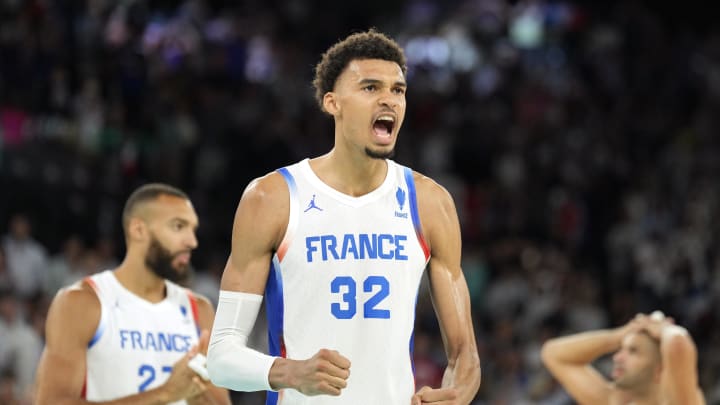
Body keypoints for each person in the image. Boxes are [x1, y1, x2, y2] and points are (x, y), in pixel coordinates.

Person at [206, 29, 481, 404]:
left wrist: (458, 393)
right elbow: (220, 358)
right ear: (332, 103)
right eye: (370, 88)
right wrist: (292, 373)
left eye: (398, 90)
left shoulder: (430, 202)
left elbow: (465, 354)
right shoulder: (273, 198)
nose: (389, 99)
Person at [35, 183, 231, 405]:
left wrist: (198, 394)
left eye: (193, 229)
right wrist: (163, 394)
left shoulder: (199, 310)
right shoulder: (83, 302)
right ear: (138, 230)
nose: (191, 242)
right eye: (178, 226)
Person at [541, 311, 705, 405]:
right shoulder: (613, 401)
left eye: (633, 351)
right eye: (621, 349)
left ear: (660, 370)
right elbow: (553, 354)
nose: (618, 358)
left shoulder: (680, 400)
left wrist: (663, 329)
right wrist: (618, 336)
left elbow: (677, 343)